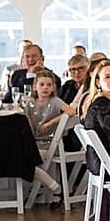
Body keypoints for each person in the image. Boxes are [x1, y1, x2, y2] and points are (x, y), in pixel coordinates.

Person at [25, 70, 74, 209]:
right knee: (21, 158)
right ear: (35, 86)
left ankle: (56, 189)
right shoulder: (30, 103)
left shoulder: (55, 101)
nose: (45, 87)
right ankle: (54, 187)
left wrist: (51, 122)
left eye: (49, 85)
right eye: (42, 84)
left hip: (51, 145)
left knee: (26, 162)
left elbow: (70, 111)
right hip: (35, 144)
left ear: (53, 87)